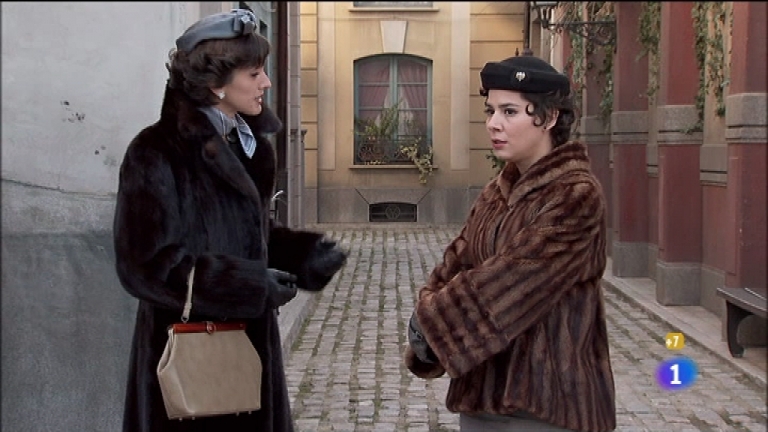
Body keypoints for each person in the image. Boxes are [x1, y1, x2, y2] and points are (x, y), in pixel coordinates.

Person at [113, 9, 347, 432]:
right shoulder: (156, 151)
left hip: (249, 353)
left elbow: (249, 234)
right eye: (254, 73)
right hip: (188, 363)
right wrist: (246, 284)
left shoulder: (251, 148)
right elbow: (144, 265)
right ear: (216, 82)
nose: (266, 83)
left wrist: (302, 255)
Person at [404, 54, 616, 432]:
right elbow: (456, 262)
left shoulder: (576, 195)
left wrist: (433, 324)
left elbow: (514, 281)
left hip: (547, 404)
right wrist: (427, 313)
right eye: (491, 111)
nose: (493, 123)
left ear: (549, 118)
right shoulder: (497, 191)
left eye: (510, 112)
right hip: (481, 398)